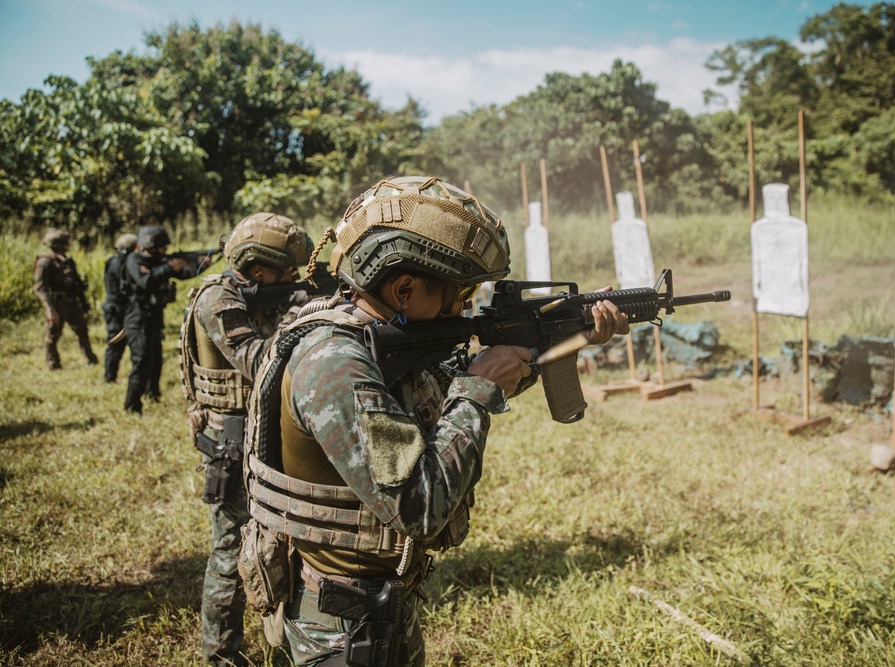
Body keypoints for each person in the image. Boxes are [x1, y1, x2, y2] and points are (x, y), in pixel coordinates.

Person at [240, 176, 629, 666]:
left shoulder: (376, 337)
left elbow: (451, 386)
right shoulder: (335, 362)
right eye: (460, 292)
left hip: (380, 603)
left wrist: (563, 337)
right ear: (404, 289)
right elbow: (420, 506)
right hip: (339, 627)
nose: (466, 307)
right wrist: (480, 389)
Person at [178, 212, 313, 667]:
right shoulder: (218, 301)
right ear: (259, 271)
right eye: (288, 273)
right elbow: (261, 363)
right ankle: (220, 655)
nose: (293, 280)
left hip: (256, 433)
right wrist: (299, 316)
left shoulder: (253, 293)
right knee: (231, 553)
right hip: (232, 441)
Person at [121, 225, 188, 414]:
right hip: (138, 320)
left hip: (154, 319)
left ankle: (153, 394)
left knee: (155, 360)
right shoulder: (134, 260)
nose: (165, 251)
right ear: (151, 244)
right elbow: (146, 281)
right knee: (141, 362)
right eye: (162, 247)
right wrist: (169, 267)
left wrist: (199, 263)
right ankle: (132, 406)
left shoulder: (158, 262)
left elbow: (182, 273)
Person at [33, 228, 99, 370]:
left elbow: (77, 285)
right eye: (65, 243)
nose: (68, 246)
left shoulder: (68, 261)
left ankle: (91, 359)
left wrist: (84, 303)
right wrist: (50, 310)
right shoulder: (45, 262)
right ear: (59, 245)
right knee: (52, 336)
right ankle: (54, 364)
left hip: (72, 302)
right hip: (57, 304)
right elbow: (41, 288)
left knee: (83, 331)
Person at [101, 232, 138, 383]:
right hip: (117, 310)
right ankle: (109, 378)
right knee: (115, 344)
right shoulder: (118, 264)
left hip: (121, 308)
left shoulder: (115, 262)